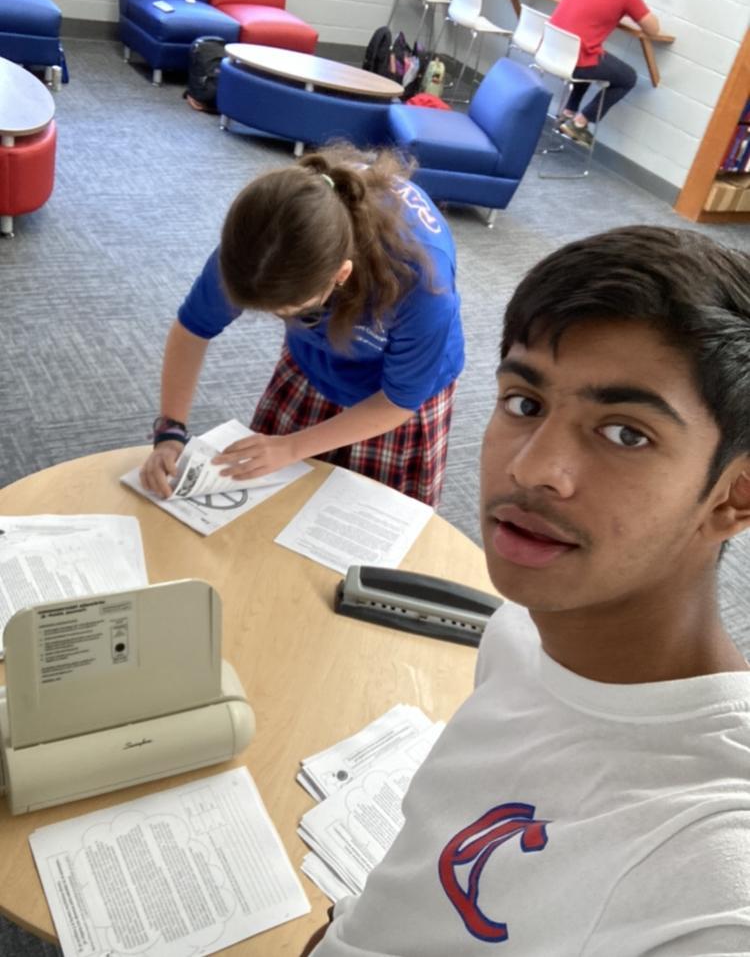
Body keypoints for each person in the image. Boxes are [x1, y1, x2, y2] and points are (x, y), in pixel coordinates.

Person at [305, 226, 750, 955]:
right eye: (524, 403)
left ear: (735, 496)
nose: (532, 468)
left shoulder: (713, 864)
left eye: (625, 433)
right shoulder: (520, 628)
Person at [139, 145, 464, 507]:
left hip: (394, 397)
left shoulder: (423, 286)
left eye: (292, 310)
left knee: (363, 513)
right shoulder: (258, 244)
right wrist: (171, 430)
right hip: (313, 363)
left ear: (340, 274)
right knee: (276, 503)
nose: (280, 318)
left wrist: (291, 447)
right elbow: (192, 330)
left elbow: (398, 402)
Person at [549, 0, 659, 147]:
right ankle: (579, 123)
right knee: (628, 77)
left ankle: (568, 113)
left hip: (551, 49)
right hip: (575, 60)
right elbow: (653, 29)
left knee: (594, 56)